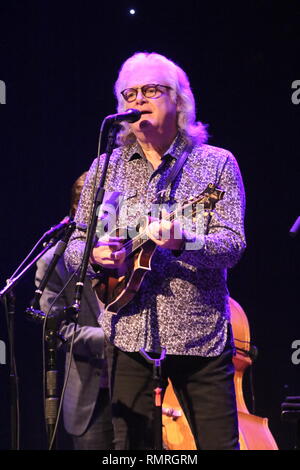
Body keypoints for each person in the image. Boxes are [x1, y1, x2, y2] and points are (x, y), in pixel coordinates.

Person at [64, 52, 246, 450]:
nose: (138, 100)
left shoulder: (216, 165)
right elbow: (75, 246)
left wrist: (184, 241)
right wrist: (96, 256)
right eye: (129, 93)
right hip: (128, 334)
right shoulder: (105, 168)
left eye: (150, 90)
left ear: (178, 101)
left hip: (200, 335)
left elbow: (232, 245)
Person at [35, 172, 113, 450]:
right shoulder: (54, 263)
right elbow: (54, 329)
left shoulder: (131, 254)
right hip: (90, 399)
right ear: (76, 214)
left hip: (140, 392)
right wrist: (111, 341)